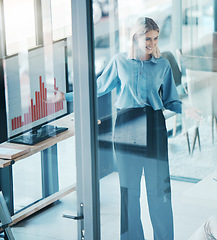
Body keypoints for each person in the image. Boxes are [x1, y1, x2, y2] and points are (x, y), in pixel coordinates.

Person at [48, 17, 199, 240]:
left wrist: (186, 109)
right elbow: (97, 88)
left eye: (156, 38)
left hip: (154, 126)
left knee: (160, 193)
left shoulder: (163, 64)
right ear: (136, 37)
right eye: (148, 38)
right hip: (126, 128)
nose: (152, 43)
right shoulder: (120, 62)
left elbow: (169, 99)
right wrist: (65, 96)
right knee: (129, 192)